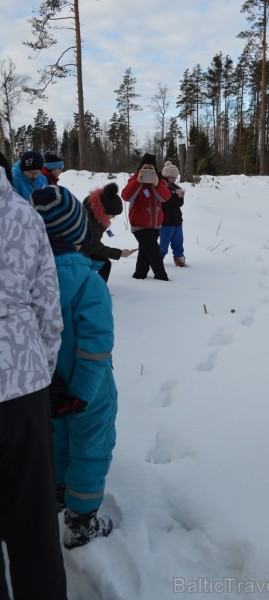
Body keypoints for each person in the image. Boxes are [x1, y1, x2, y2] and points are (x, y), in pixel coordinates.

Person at [30, 184, 118, 550]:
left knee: (57, 440)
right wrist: (81, 394)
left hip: (48, 388)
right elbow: (96, 347)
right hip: (88, 391)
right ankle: (82, 521)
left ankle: (57, 491)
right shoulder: (88, 283)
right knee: (91, 447)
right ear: (78, 231)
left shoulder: (30, 279)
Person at [0, 153, 68, 598]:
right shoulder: (23, 214)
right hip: (23, 386)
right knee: (34, 523)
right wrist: (38, 373)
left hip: (25, 381)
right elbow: (48, 306)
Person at [121, 152, 171, 280]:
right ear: (140, 168)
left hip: (155, 225)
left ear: (155, 170)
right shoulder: (134, 180)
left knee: (144, 251)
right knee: (154, 252)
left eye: (151, 168)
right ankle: (161, 276)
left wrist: (157, 185)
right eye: (145, 168)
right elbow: (126, 196)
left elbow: (166, 197)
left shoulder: (160, 182)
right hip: (139, 225)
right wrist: (138, 183)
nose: (148, 170)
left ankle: (140, 274)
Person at [80, 182, 135, 282]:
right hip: (79, 252)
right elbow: (96, 246)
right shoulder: (91, 222)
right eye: (112, 214)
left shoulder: (93, 215)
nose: (112, 217)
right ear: (103, 210)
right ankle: (97, 290)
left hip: (86, 249)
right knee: (105, 264)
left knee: (104, 263)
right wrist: (120, 253)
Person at [160, 161, 186, 267]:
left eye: (175, 178)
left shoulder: (175, 186)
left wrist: (181, 197)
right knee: (163, 245)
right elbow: (164, 205)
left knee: (178, 242)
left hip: (177, 221)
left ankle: (179, 258)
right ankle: (157, 259)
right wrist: (176, 197)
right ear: (166, 176)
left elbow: (178, 204)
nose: (174, 180)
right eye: (172, 178)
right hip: (166, 222)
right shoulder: (162, 187)